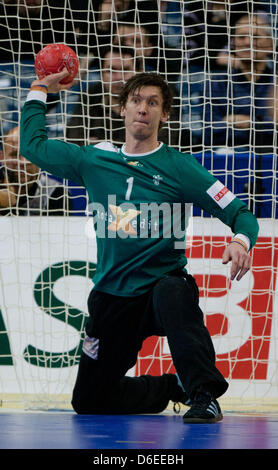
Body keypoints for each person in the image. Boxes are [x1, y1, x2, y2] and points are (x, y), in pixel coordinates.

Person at [20, 68, 258, 423]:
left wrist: (240, 241)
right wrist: (40, 88)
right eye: (136, 101)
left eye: (152, 102)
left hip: (162, 286)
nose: (143, 108)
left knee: (174, 292)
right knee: (90, 401)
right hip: (113, 294)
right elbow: (32, 146)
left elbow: (240, 213)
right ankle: (170, 388)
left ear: (164, 114)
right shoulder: (93, 160)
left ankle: (204, 394)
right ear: (123, 109)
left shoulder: (180, 168)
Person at [67, 46, 180, 148]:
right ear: (101, 73)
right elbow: (75, 139)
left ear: (138, 72)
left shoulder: (158, 96)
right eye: (111, 70)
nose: (118, 77)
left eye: (125, 70)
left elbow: (164, 142)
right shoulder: (91, 95)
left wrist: (101, 146)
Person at [204, 12, 275, 152]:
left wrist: (249, 122)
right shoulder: (216, 83)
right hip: (226, 156)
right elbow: (210, 132)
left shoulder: (276, 83)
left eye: (255, 36)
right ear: (234, 44)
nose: (247, 42)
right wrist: (262, 125)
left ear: (271, 44)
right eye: (241, 37)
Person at [0, 126, 73, 216]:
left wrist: (10, 207)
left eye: (29, 154)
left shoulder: (57, 193)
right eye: (15, 155)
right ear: (2, 158)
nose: (23, 162)